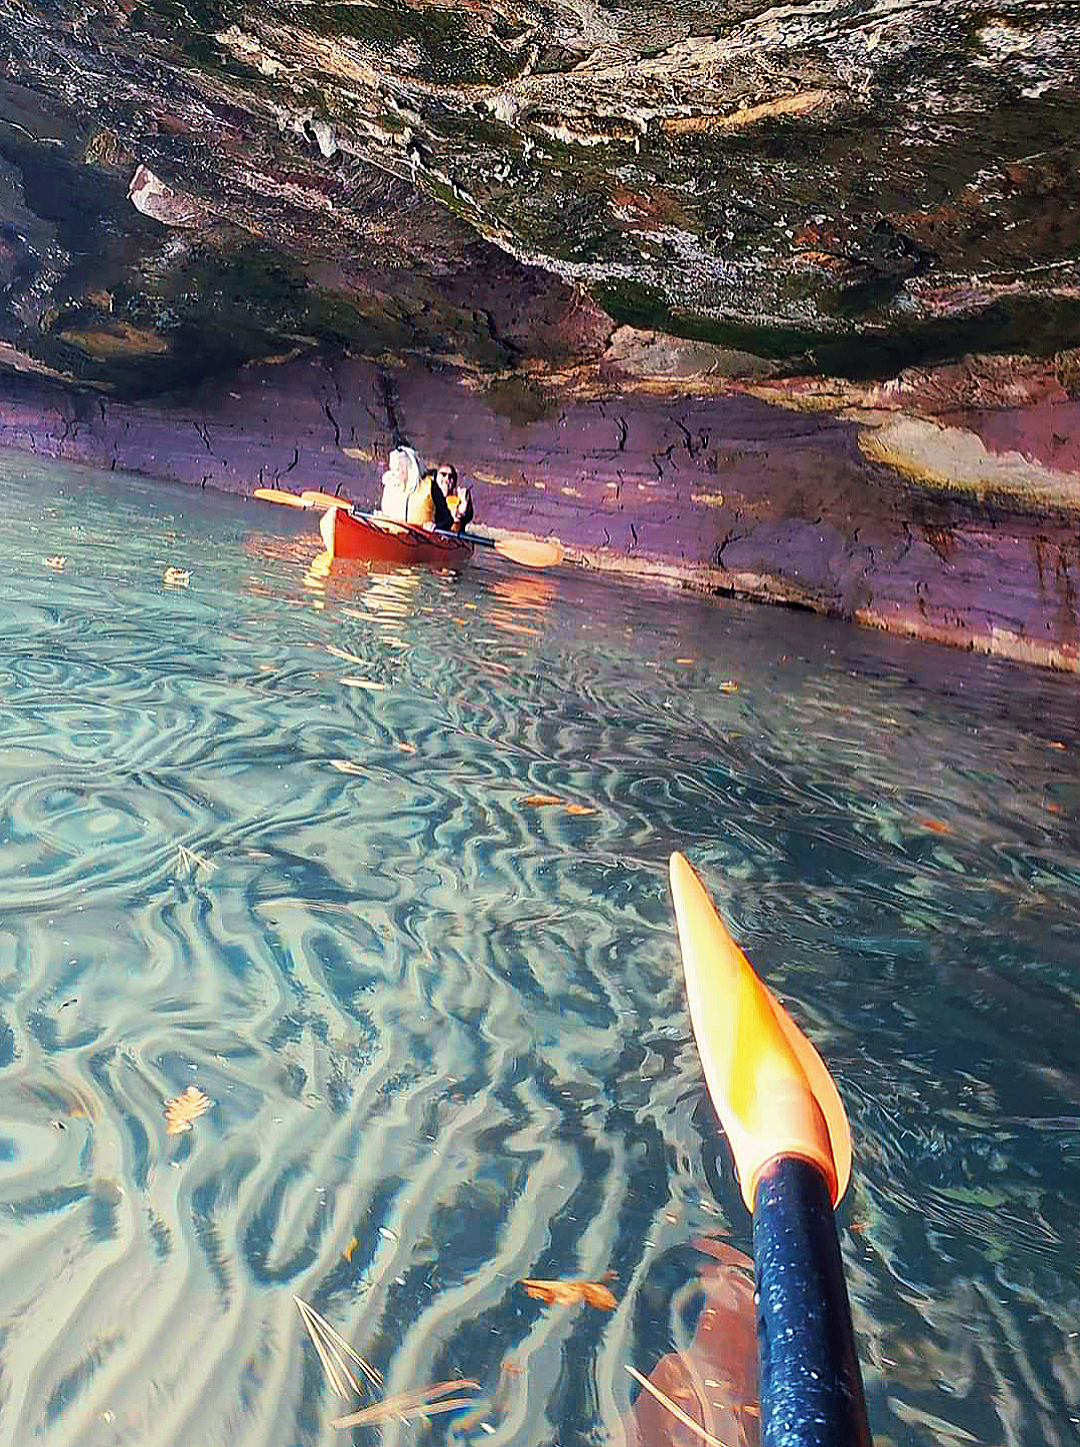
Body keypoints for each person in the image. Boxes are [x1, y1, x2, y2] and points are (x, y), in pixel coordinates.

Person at [378, 447, 452, 529]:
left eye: (398, 469)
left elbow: (447, 520)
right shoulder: (391, 487)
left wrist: (436, 526)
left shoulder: (430, 486)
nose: (395, 472)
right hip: (393, 537)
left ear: (408, 468)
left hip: (421, 538)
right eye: (393, 468)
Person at [436, 463, 474, 533]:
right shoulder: (429, 499)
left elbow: (467, 516)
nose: (447, 479)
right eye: (443, 474)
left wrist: (461, 511)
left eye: (451, 477)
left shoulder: (458, 501)